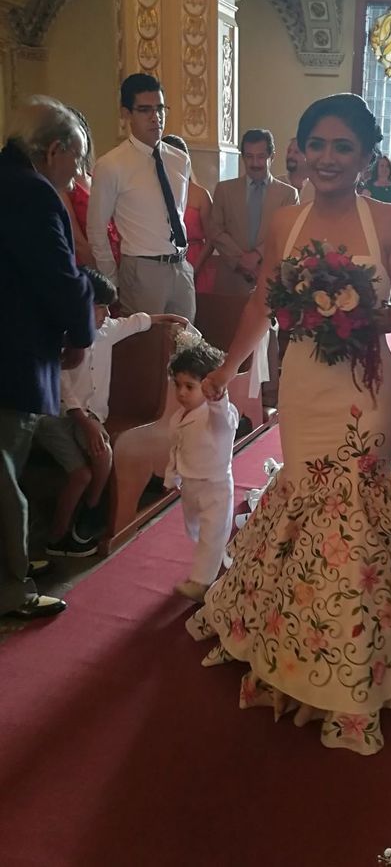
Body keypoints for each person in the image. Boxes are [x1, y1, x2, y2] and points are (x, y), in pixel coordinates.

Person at [184, 93, 391, 754]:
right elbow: (261, 298)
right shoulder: (285, 221)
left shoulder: (389, 220)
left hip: (367, 385)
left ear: (367, 158)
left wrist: (355, 318)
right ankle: (301, 640)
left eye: (344, 147)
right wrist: (229, 364)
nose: (330, 158)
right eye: (319, 145)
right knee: (308, 500)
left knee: (359, 505)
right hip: (305, 383)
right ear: (301, 151)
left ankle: (356, 659)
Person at [0, 96, 95, 620]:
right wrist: (80, 331)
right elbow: (60, 279)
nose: (76, 174)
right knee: (4, 480)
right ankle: (11, 589)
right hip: (10, 357)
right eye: (75, 161)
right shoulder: (32, 193)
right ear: (54, 149)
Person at [34, 268, 187, 558]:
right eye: (99, 306)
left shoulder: (105, 331)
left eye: (107, 307)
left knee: (103, 454)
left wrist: (167, 319)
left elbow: (134, 323)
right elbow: (62, 387)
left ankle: (90, 512)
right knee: (80, 474)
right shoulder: (59, 338)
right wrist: (87, 423)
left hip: (89, 418)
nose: (106, 313)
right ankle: (56, 538)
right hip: (56, 416)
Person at [87, 72, 195, 320]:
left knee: (188, 349)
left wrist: (185, 267)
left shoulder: (179, 159)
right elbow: (96, 228)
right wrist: (111, 278)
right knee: (147, 351)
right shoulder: (112, 165)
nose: (155, 117)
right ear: (126, 114)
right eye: (145, 110)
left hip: (180, 265)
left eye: (160, 108)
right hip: (142, 267)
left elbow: (177, 213)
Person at [165, 339, 239, 603]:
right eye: (178, 385)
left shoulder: (218, 416)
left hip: (215, 486)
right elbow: (176, 449)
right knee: (197, 530)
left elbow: (224, 418)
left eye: (190, 386)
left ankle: (200, 583)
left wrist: (218, 396)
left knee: (211, 532)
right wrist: (171, 474)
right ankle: (221, 562)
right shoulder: (178, 418)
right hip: (190, 485)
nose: (182, 393)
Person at [210, 129, 298, 295]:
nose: (255, 163)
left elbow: (286, 233)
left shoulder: (288, 194)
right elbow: (215, 230)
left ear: (272, 156)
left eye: (261, 156)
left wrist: (257, 255)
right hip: (231, 278)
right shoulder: (224, 190)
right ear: (243, 157)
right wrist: (241, 260)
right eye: (249, 156)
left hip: (270, 278)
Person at [63, 107, 122, 270]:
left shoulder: (95, 177)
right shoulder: (63, 184)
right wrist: (104, 274)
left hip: (113, 259)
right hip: (87, 267)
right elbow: (78, 241)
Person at [161, 134, 217, 295]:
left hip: (195, 259)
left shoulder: (200, 194)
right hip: (163, 260)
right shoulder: (154, 193)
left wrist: (194, 268)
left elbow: (212, 237)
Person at [282, 136, 315, 204]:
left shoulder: (318, 189)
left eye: (296, 152)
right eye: (289, 151)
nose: (290, 156)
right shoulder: (275, 185)